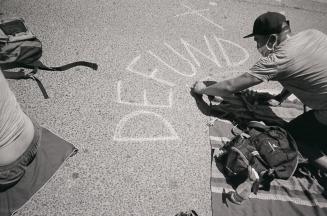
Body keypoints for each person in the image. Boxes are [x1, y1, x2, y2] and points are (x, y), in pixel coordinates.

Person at [192, 11, 327, 173]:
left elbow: (231, 87)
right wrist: (280, 98)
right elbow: (299, 74)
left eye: (257, 40)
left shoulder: (278, 59)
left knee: (291, 139)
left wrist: (203, 89)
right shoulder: (313, 34)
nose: (257, 47)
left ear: (272, 39)